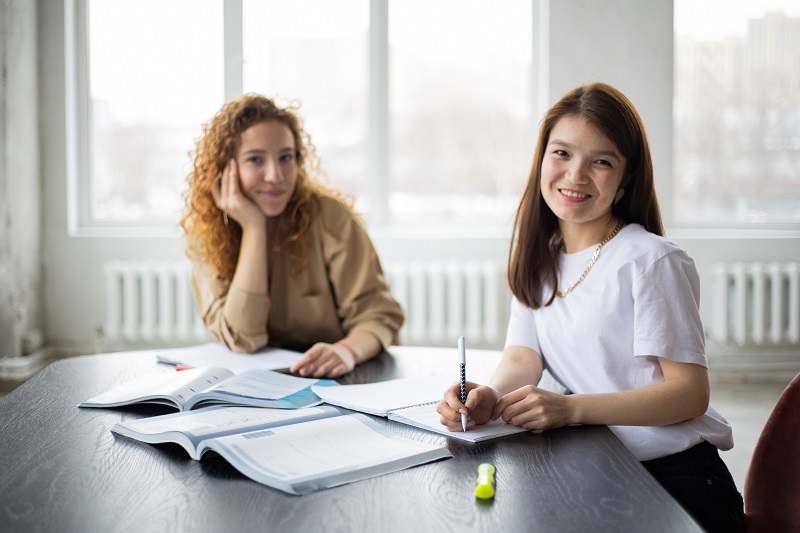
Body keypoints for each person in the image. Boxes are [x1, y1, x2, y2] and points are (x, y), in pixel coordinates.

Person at [437, 83, 744, 532]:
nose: (576, 175)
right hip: (599, 464)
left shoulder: (651, 259)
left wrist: (571, 408)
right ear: (542, 159)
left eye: (601, 161)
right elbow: (524, 356)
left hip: (677, 478)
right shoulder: (541, 256)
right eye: (562, 153)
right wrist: (488, 399)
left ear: (625, 181)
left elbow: (690, 393)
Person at [181, 94, 404, 378]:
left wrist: (346, 351)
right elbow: (243, 338)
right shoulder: (208, 234)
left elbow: (378, 316)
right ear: (226, 168)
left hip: (337, 380)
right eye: (255, 160)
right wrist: (254, 228)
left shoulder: (331, 219)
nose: (275, 175)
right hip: (257, 388)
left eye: (285, 157)